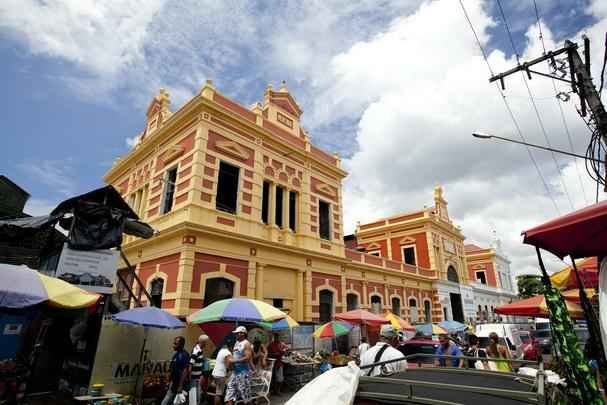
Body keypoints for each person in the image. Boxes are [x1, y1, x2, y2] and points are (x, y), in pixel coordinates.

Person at [225, 326, 253, 405]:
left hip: (243, 374)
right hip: (235, 373)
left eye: (237, 333)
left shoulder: (246, 343)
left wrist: (234, 361)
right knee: (229, 395)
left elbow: (248, 358)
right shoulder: (237, 343)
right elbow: (235, 355)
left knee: (246, 397)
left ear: (242, 334)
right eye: (236, 333)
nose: (236, 335)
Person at [161, 336, 191, 405]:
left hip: (179, 385)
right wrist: (168, 380)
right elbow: (172, 368)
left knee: (168, 402)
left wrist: (180, 386)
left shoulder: (184, 355)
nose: (173, 345)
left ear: (181, 344)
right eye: (174, 343)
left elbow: (185, 371)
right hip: (173, 383)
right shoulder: (176, 354)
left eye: (175, 344)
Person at [189, 334, 210, 405]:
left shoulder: (199, 350)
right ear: (203, 342)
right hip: (194, 378)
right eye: (206, 342)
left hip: (197, 378)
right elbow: (190, 364)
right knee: (195, 399)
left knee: (197, 398)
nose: (206, 344)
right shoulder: (196, 351)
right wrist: (189, 378)